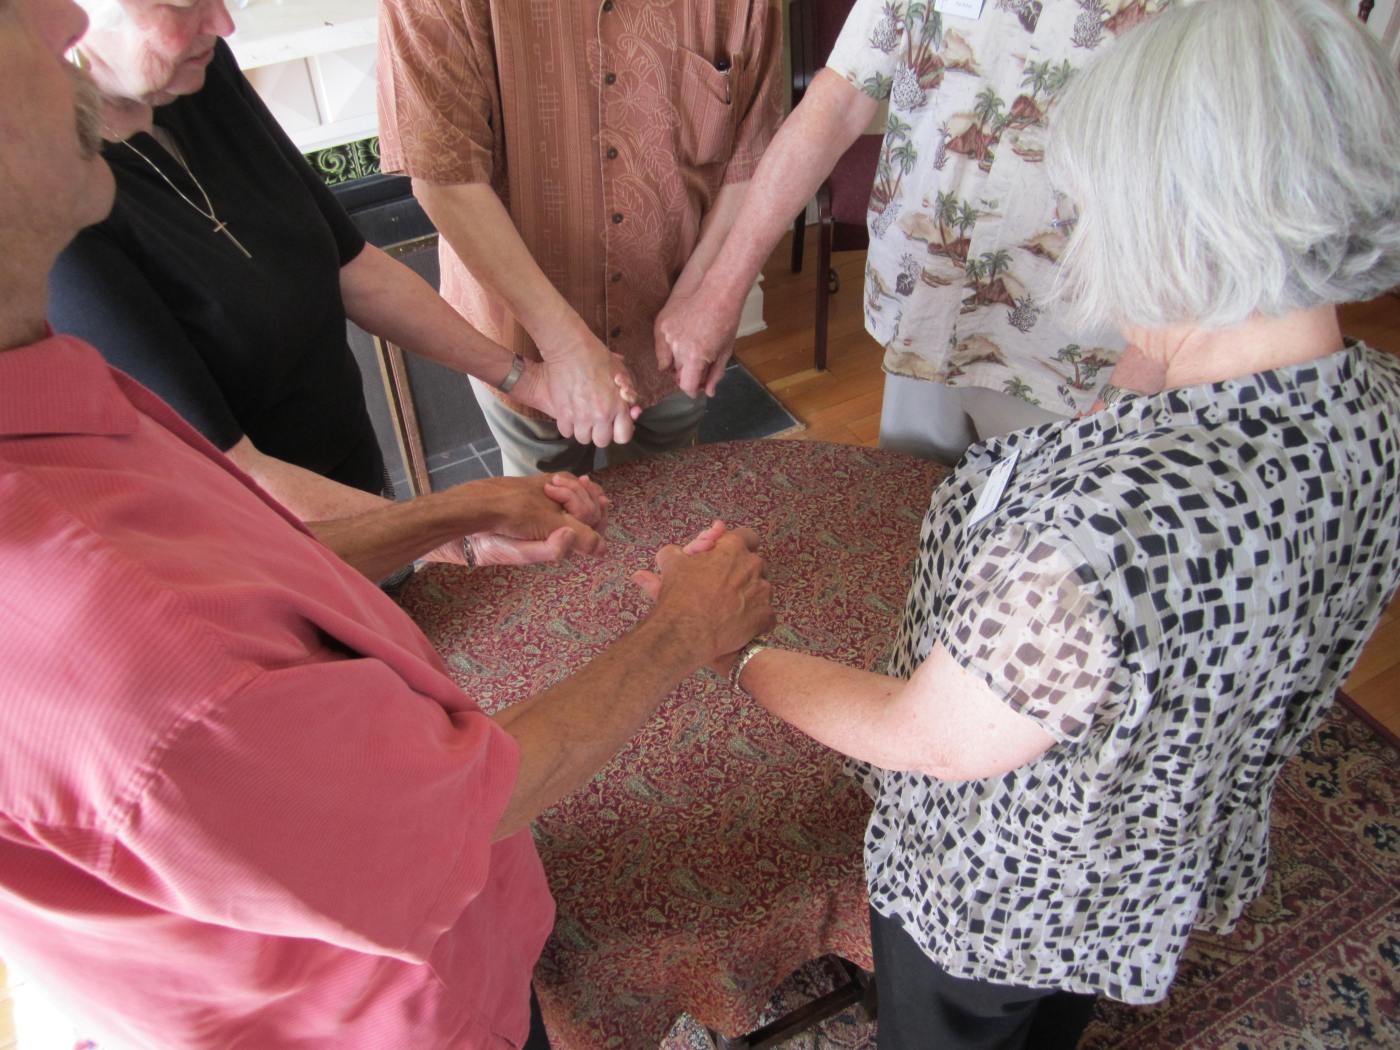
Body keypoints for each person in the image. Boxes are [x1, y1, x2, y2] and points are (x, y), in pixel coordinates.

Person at [0, 2, 775, 1048]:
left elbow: (239, 571)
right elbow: (452, 809)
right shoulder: (125, 644)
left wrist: (449, 515)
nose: (62, 18)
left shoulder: (47, 410)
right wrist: (681, 631)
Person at [649, 1, 1400, 1046]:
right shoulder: (1375, 407)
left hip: (998, 904)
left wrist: (729, 646)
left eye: (1089, 207)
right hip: (1146, 846)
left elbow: (931, 737)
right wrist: (1137, 386)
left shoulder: (1095, 538)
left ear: (1176, 224)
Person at [50, 0, 640, 571]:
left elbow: (353, 267)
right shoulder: (50, 200)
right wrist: (457, 538)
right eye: (184, 3)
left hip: (352, 475)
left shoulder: (197, 75)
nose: (223, 23)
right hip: (260, 554)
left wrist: (531, 379)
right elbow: (234, 470)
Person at [656, 0, 1180, 464]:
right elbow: (836, 103)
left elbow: (1212, 219)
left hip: (1065, 361)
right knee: (907, 534)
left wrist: (1121, 411)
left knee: (1028, 559)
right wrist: (721, 293)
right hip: (924, 318)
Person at [376, 0, 784, 476]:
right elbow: (445, 179)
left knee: (673, 510)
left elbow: (752, 160)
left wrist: (708, 292)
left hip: (678, 337)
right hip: (524, 346)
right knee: (549, 528)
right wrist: (565, 346)